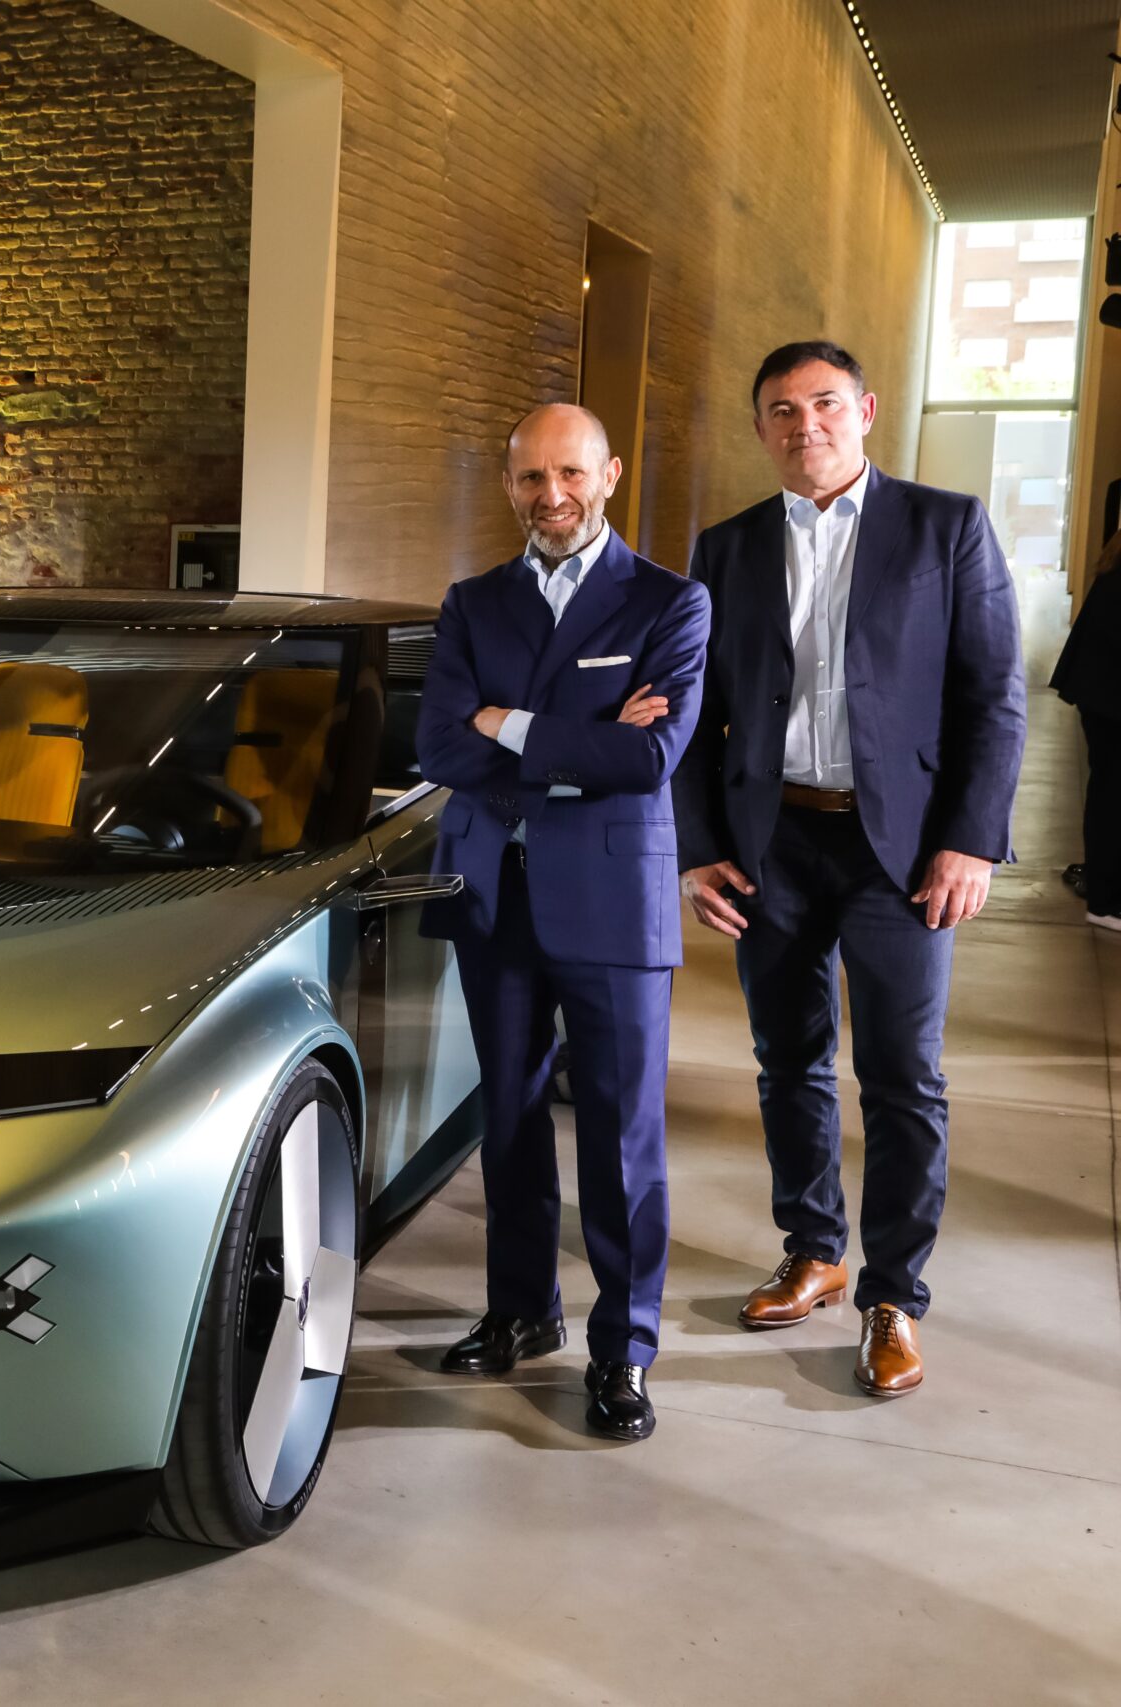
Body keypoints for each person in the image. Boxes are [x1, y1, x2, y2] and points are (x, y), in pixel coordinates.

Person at [675, 340, 1025, 1397]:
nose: (806, 425)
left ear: (865, 411)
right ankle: (814, 1249)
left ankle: (894, 1297)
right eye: (782, 411)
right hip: (771, 841)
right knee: (787, 1059)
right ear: (760, 428)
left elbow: (993, 695)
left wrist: (970, 839)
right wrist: (700, 848)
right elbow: (695, 714)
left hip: (903, 851)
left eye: (824, 403)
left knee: (903, 1076)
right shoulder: (727, 547)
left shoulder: (944, 526)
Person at [415, 403, 711, 1442]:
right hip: (493, 892)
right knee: (506, 1117)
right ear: (509, 485)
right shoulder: (472, 603)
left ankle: (624, 1349)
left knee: (621, 1137)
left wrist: (507, 722)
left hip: (612, 900)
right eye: (532, 477)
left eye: (571, 473)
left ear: (609, 474)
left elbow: (647, 757)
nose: (553, 495)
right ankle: (520, 1310)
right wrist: (578, 740)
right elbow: (439, 747)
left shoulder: (668, 602)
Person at [1050, 534, 1121, 930]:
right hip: (1109, 696)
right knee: (1111, 798)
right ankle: (1105, 902)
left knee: (1108, 794)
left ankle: (1103, 887)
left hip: (1102, 694)